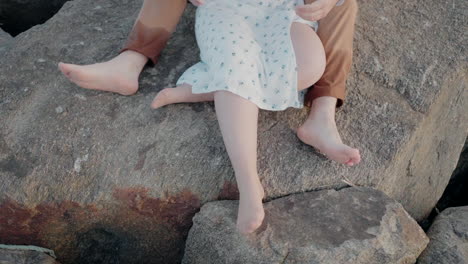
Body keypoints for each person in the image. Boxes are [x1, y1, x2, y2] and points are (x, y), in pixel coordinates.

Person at [58, 0, 361, 234]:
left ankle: (208, 87)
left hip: (282, 11)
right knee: (236, 70)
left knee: (309, 63)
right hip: (224, 10)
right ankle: (249, 184)